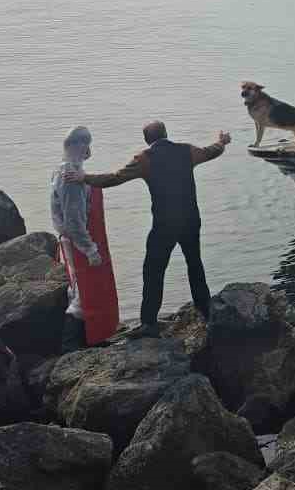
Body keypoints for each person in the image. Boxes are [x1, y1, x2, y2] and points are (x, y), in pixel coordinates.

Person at [73, 121, 229, 336]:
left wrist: (84, 178)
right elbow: (211, 152)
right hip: (190, 220)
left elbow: (115, 178)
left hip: (165, 225)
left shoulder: (144, 159)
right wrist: (222, 141)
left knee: (153, 271)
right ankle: (206, 313)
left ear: (147, 139)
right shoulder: (187, 151)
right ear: (166, 133)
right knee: (195, 265)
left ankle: (149, 323)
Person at [51, 126, 119, 351]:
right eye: (86, 144)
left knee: (82, 291)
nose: (89, 149)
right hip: (78, 241)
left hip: (73, 240)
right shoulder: (71, 176)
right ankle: (71, 349)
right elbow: (74, 220)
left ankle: (90, 340)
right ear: (76, 145)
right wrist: (90, 250)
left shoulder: (66, 170)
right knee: (84, 294)